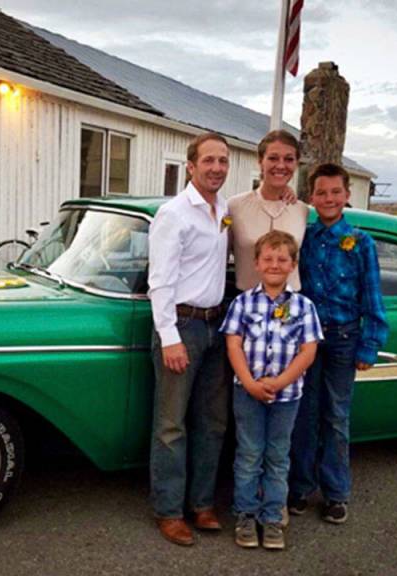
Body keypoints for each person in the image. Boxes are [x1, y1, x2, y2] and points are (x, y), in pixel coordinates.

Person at [288, 163, 389, 525]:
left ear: (347, 196)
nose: (328, 199)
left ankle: (335, 492)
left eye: (335, 192)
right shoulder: (305, 237)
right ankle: (300, 486)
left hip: (344, 338)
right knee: (304, 413)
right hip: (306, 337)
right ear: (311, 197)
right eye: (321, 193)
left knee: (336, 415)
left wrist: (370, 343)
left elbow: (372, 296)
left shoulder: (361, 242)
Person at [147, 132, 233, 546]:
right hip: (181, 326)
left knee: (212, 422)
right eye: (209, 160)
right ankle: (169, 511)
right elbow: (160, 281)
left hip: (217, 325)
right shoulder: (174, 214)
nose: (217, 168)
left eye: (223, 161)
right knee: (171, 425)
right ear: (191, 166)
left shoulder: (225, 210)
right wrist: (169, 337)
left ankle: (202, 504)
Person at [220, 230, 322, 550]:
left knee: (278, 456)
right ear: (256, 263)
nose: (274, 265)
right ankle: (246, 515)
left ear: (293, 265)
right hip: (246, 393)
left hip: (286, 396)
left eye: (282, 259)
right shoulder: (242, 303)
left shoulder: (303, 306)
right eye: (268, 259)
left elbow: (308, 351)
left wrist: (280, 382)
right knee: (249, 454)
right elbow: (233, 345)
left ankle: (273, 517)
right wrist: (250, 383)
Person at [228, 130, 308, 292]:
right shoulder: (234, 207)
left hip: (291, 302)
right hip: (246, 301)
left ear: (296, 163)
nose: (281, 165)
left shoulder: (301, 210)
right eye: (273, 158)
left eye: (289, 159)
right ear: (260, 160)